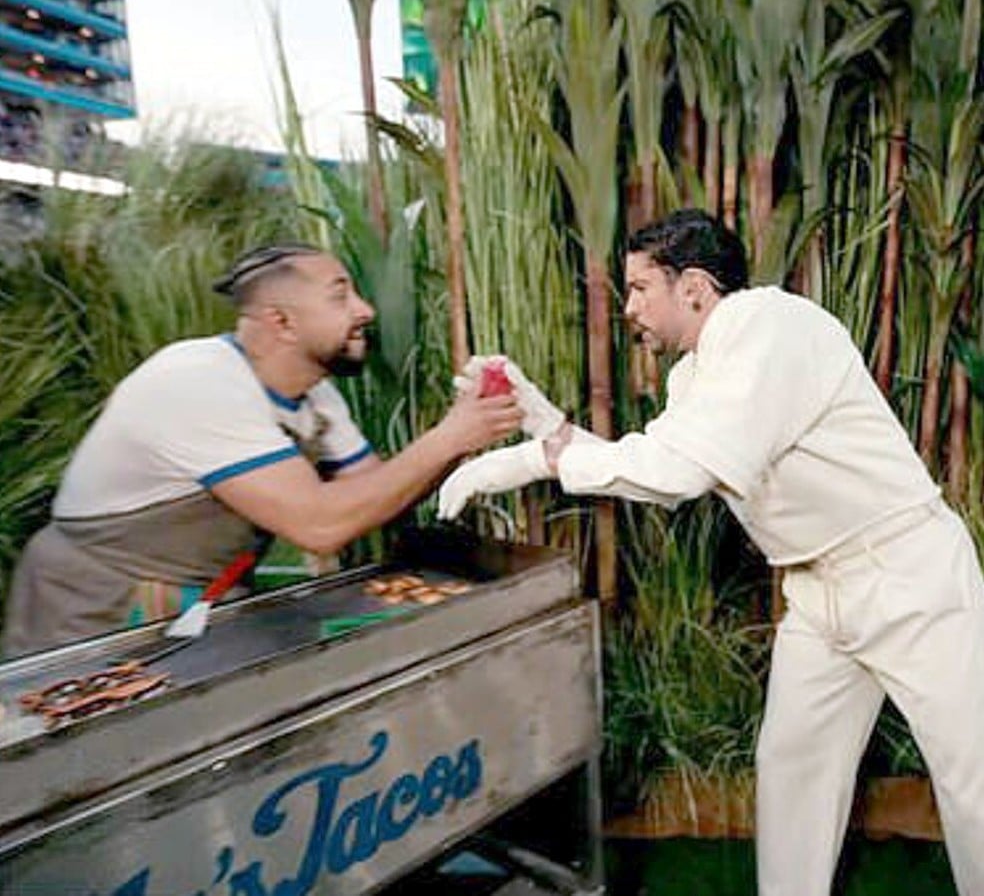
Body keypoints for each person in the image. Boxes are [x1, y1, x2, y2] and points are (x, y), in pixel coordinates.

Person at [438, 209, 984, 896]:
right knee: (792, 769)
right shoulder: (696, 375)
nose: (629, 308)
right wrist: (544, 424)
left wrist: (525, 462)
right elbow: (654, 466)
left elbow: (677, 473)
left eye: (641, 288)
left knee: (972, 778)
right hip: (819, 591)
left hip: (907, 575)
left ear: (693, 287)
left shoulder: (768, 326)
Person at [2, 244, 521, 657]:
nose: (365, 310)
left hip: (201, 602)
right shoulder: (198, 382)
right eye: (340, 297)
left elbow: (375, 494)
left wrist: (465, 433)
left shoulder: (314, 396)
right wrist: (449, 436)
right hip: (97, 612)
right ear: (281, 322)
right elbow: (320, 527)